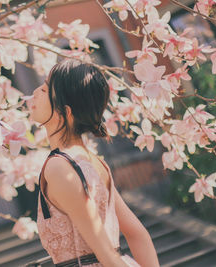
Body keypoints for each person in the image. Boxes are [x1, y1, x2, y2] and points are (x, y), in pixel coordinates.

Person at [29, 59, 160, 267]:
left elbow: (106, 254)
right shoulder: (95, 163)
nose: (35, 91)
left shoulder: (60, 167)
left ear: (66, 112)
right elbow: (138, 234)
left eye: (45, 90)